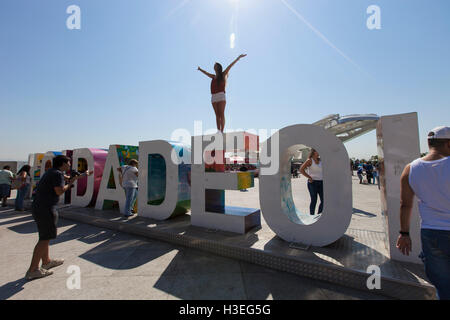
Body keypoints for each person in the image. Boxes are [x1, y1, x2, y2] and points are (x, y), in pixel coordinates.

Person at [396, 126, 450, 300]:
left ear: (429, 143)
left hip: (431, 233)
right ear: (448, 144)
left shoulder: (410, 168)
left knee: (443, 286)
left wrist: (404, 233)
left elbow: (405, 205)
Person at [26, 155, 84, 281]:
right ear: (63, 163)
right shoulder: (57, 174)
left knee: (45, 237)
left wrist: (74, 177)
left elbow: (66, 178)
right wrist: (71, 184)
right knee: (44, 239)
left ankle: (46, 262)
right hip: (46, 209)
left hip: (39, 207)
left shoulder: (52, 172)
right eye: (68, 162)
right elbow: (59, 191)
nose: (70, 164)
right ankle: (33, 270)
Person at [198, 54, 247, 133]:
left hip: (221, 95)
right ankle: (218, 131)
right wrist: (200, 69)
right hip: (213, 96)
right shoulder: (213, 76)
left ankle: (222, 130)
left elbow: (230, 66)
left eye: (215, 65)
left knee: (221, 114)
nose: (214, 66)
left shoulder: (223, 74)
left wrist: (238, 58)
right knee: (217, 115)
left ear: (218, 67)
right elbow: (206, 73)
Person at [300, 149, 323, 215]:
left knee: (324, 201)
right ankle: (312, 215)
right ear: (314, 152)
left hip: (321, 183)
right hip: (313, 183)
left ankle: (319, 215)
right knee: (314, 200)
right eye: (318, 151)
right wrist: (309, 177)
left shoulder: (321, 160)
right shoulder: (310, 160)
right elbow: (301, 169)